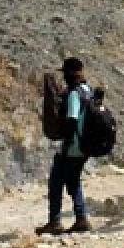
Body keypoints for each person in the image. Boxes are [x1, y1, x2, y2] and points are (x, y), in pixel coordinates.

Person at [37, 57, 93, 235]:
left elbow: (72, 120)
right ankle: (81, 218)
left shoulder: (75, 94)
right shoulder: (87, 89)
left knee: (55, 182)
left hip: (73, 147)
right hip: (85, 147)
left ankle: (54, 222)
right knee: (74, 181)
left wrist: (65, 141)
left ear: (69, 74)